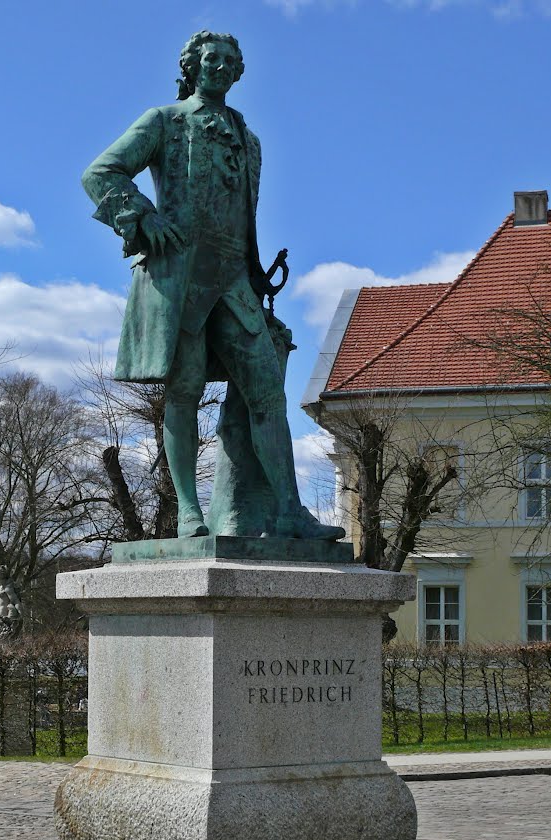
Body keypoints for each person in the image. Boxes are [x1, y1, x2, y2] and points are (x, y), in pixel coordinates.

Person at [82, 30, 342, 540]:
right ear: (192, 66)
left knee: (267, 392)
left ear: (239, 70)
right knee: (184, 392)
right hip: (179, 279)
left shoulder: (249, 139)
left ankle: (290, 511)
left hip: (234, 280)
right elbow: (100, 173)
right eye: (211, 58)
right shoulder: (164, 121)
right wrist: (142, 217)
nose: (220, 66)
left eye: (230, 60)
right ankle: (187, 511)